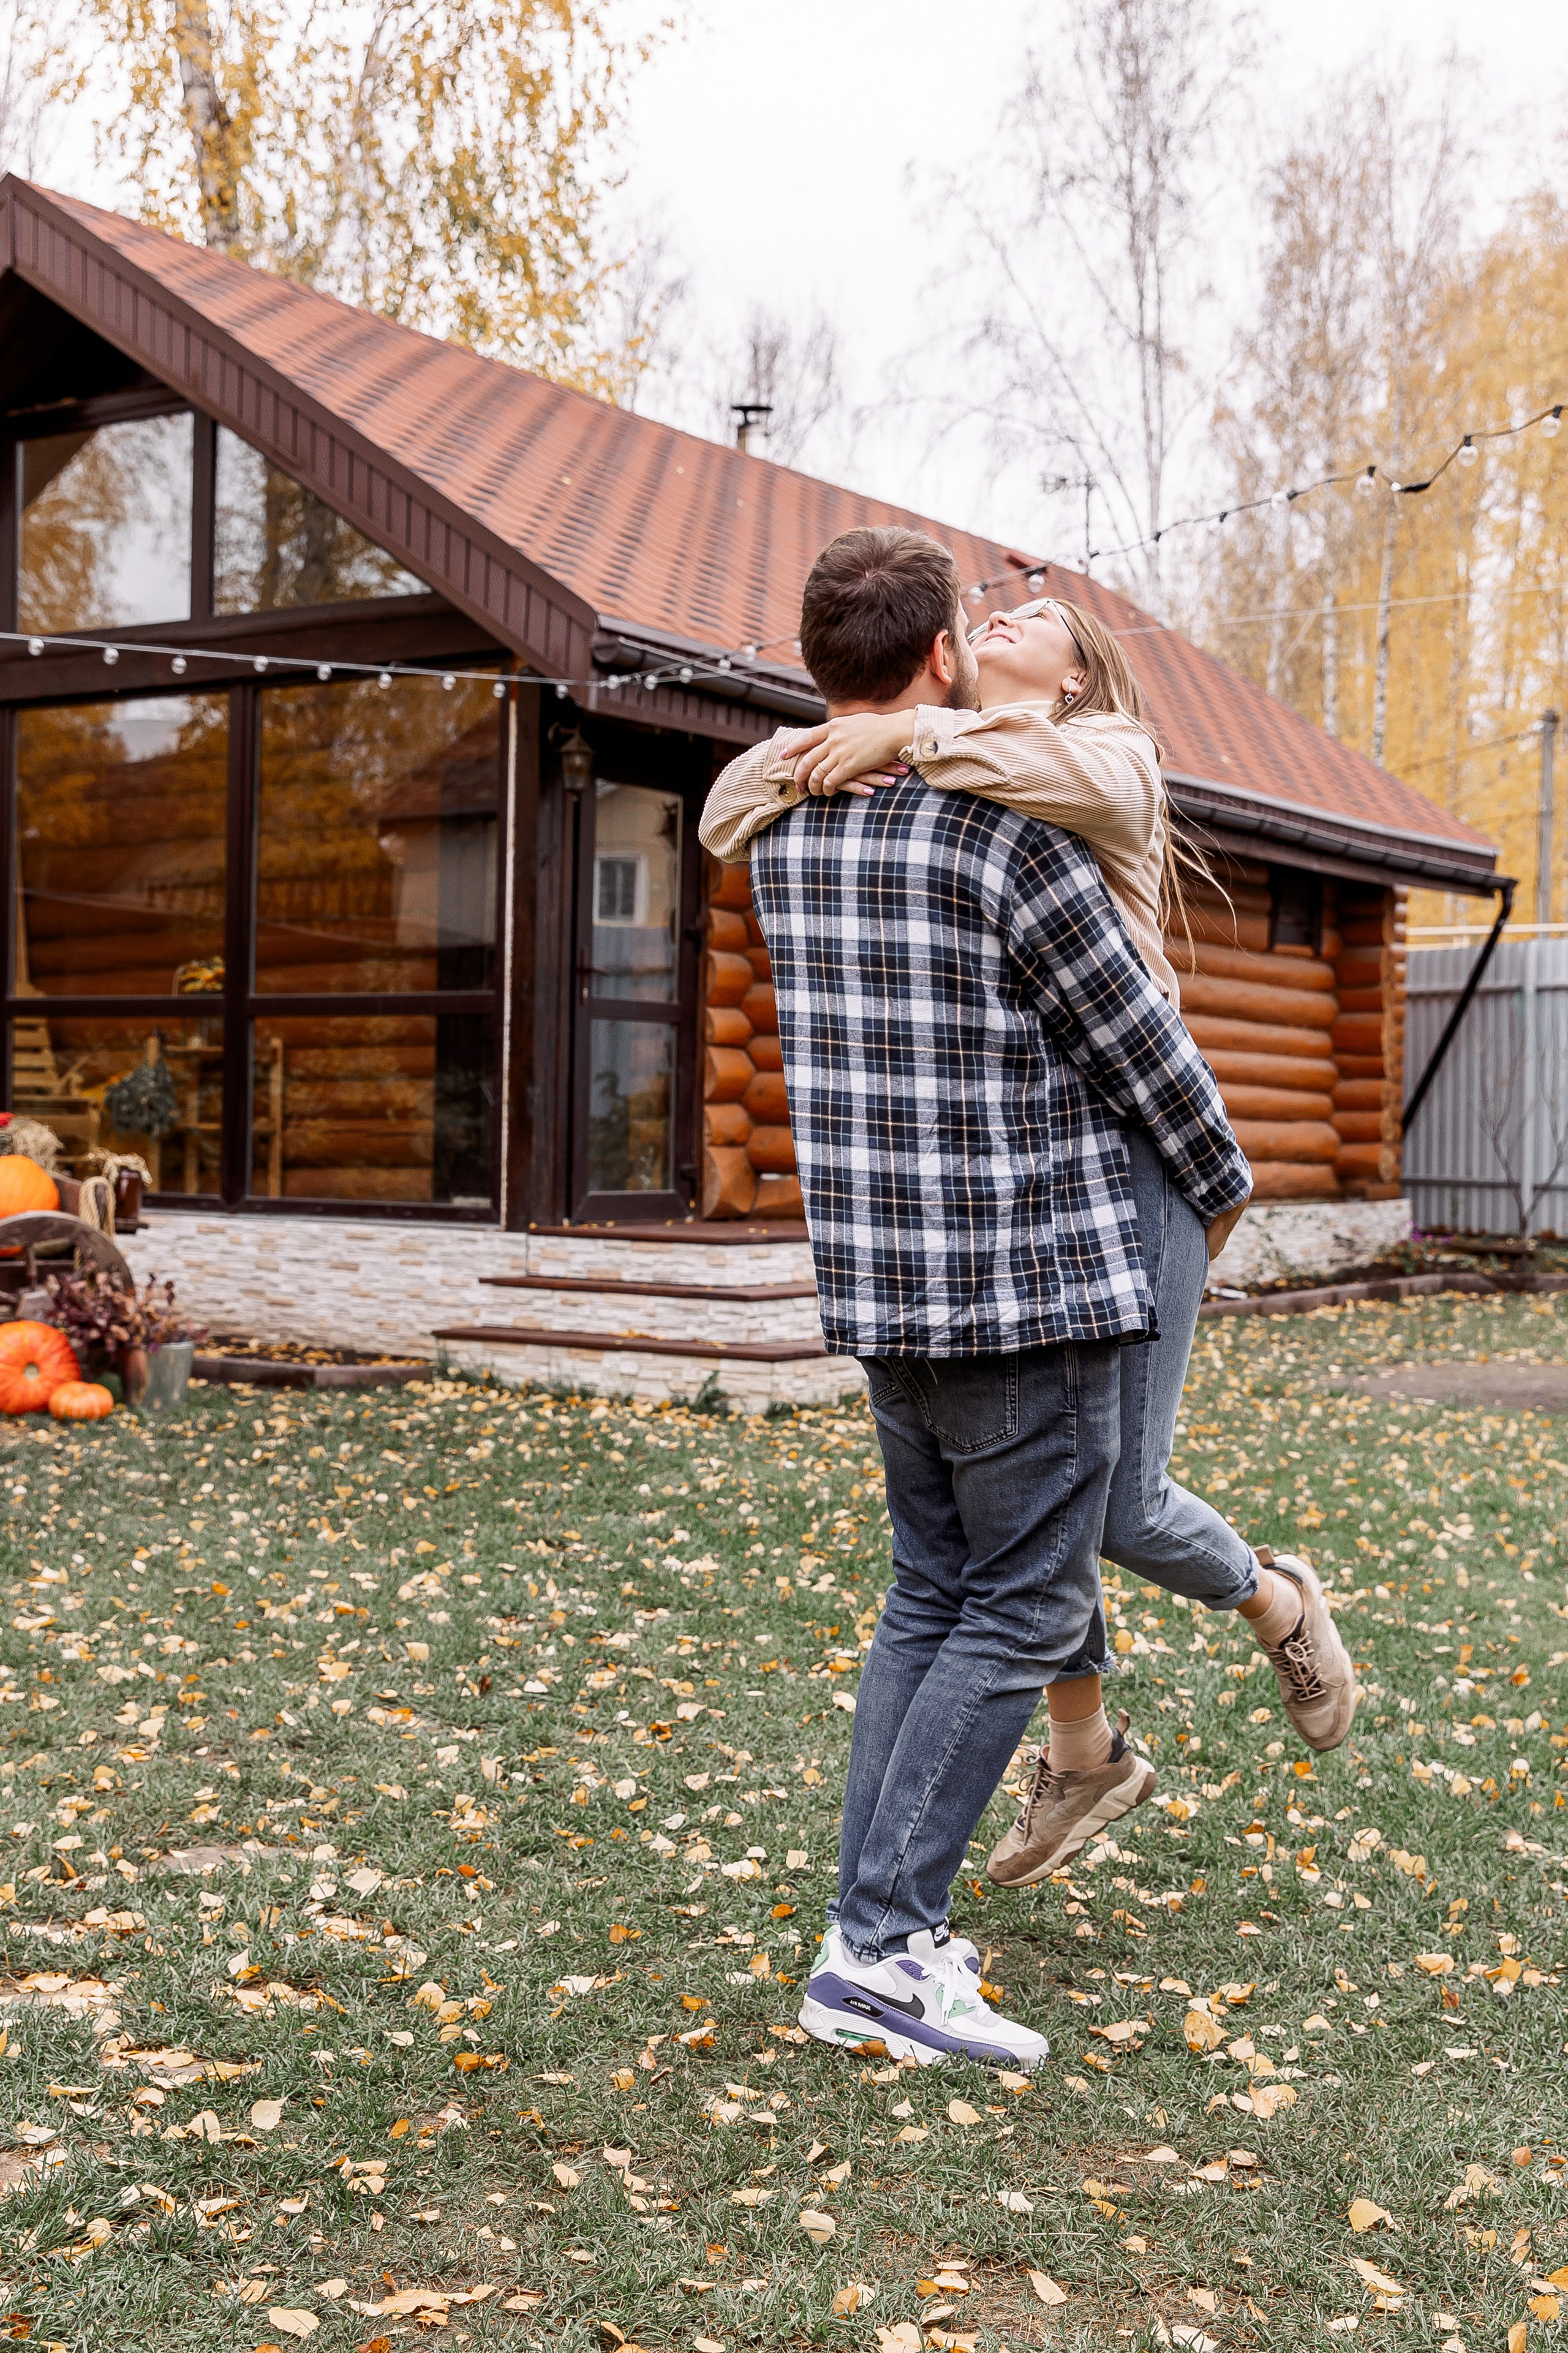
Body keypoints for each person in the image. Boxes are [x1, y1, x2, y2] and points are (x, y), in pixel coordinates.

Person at [698, 525, 1269, 2071]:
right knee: (1015, 1607)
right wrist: (1220, 1191)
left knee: (931, 1597)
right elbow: (1136, 1043)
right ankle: (882, 1948)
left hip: (887, 1289)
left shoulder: (795, 839)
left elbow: (741, 803)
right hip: (1029, 1286)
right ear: (939, 660)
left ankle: (861, 1935)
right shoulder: (1001, 839)